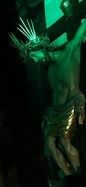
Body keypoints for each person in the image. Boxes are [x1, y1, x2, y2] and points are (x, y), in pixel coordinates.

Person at [11, 18, 86, 177]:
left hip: (72, 102)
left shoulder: (69, 52)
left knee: (65, 143)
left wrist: (83, 22)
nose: (37, 60)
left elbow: (79, 36)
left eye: (35, 56)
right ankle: (68, 176)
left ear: (41, 48)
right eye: (34, 59)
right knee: (50, 145)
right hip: (54, 110)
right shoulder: (50, 70)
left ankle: (78, 175)